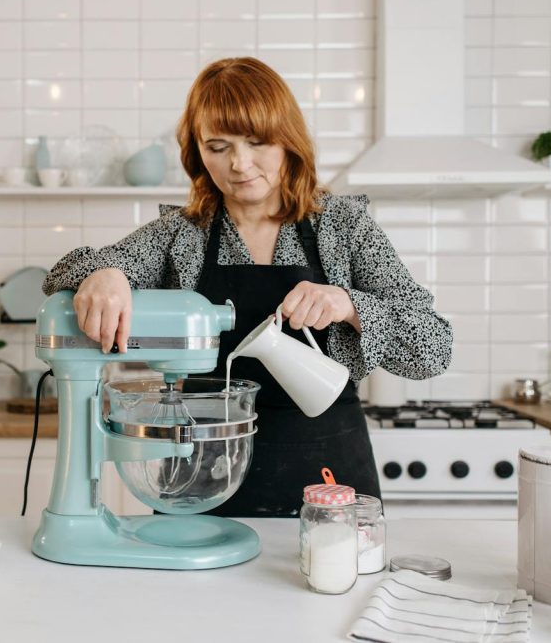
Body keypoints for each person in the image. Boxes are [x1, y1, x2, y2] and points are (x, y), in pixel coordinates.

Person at [42, 57, 452, 517]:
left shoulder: (344, 226)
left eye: (256, 142)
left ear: (287, 140)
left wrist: (349, 303)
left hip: (329, 480)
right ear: (197, 152)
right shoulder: (182, 234)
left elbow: (434, 348)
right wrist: (104, 274)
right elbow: (61, 274)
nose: (239, 164)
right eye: (218, 146)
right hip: (201, 478)